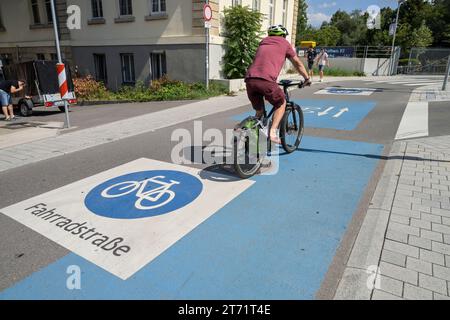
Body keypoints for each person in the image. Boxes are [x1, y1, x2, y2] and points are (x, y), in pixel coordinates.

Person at [245, 25, 311, 144]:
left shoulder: (263, 42)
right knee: (281, 103)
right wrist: (306, 78)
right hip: (266, 80)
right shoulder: (285, 43)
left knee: (259, 113)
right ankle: (273, 133)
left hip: (250, 79)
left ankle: (250, 134)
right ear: (283, 35)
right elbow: (297, 63)